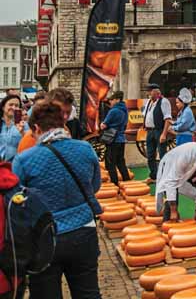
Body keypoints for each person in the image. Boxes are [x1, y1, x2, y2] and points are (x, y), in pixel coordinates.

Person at [13, 101, 102, 298]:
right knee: (88, 292)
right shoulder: (85, 149)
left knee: (45, 293)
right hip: (84, 230)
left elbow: (17, 202)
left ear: (36, 128)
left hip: (44, 236)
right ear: (63, 123)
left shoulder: (25, 159)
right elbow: (94, 186)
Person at [140, 83, 173, 184]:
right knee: (150, 154)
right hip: (150, 131)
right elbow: (145, 114)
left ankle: (164, 176)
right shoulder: (149, 102)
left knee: (162, 153)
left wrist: (164, 134)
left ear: (157, 92)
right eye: (148, 91)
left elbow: (167, 119)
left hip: (159, 130)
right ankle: (153, 176)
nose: (149, 93)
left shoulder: (164, 102)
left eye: (151, 91)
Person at [99, 91, 129, 185]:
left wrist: (102, 124)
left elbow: (104, 125)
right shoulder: (125, 110)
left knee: (111, 162)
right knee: (121, 161)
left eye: (112, 99)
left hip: (113, 139)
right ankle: (127, 180)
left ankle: (115, 183)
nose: (110, 102)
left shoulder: (113, 111)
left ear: (117, 99)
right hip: (121, 138)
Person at [0, 94, 26, 162]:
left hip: (15, 165)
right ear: (3, 107)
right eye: (10, 104)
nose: (13, 107)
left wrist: (22, 133)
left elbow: (30, 144)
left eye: (16, 105)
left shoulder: (24, 125)